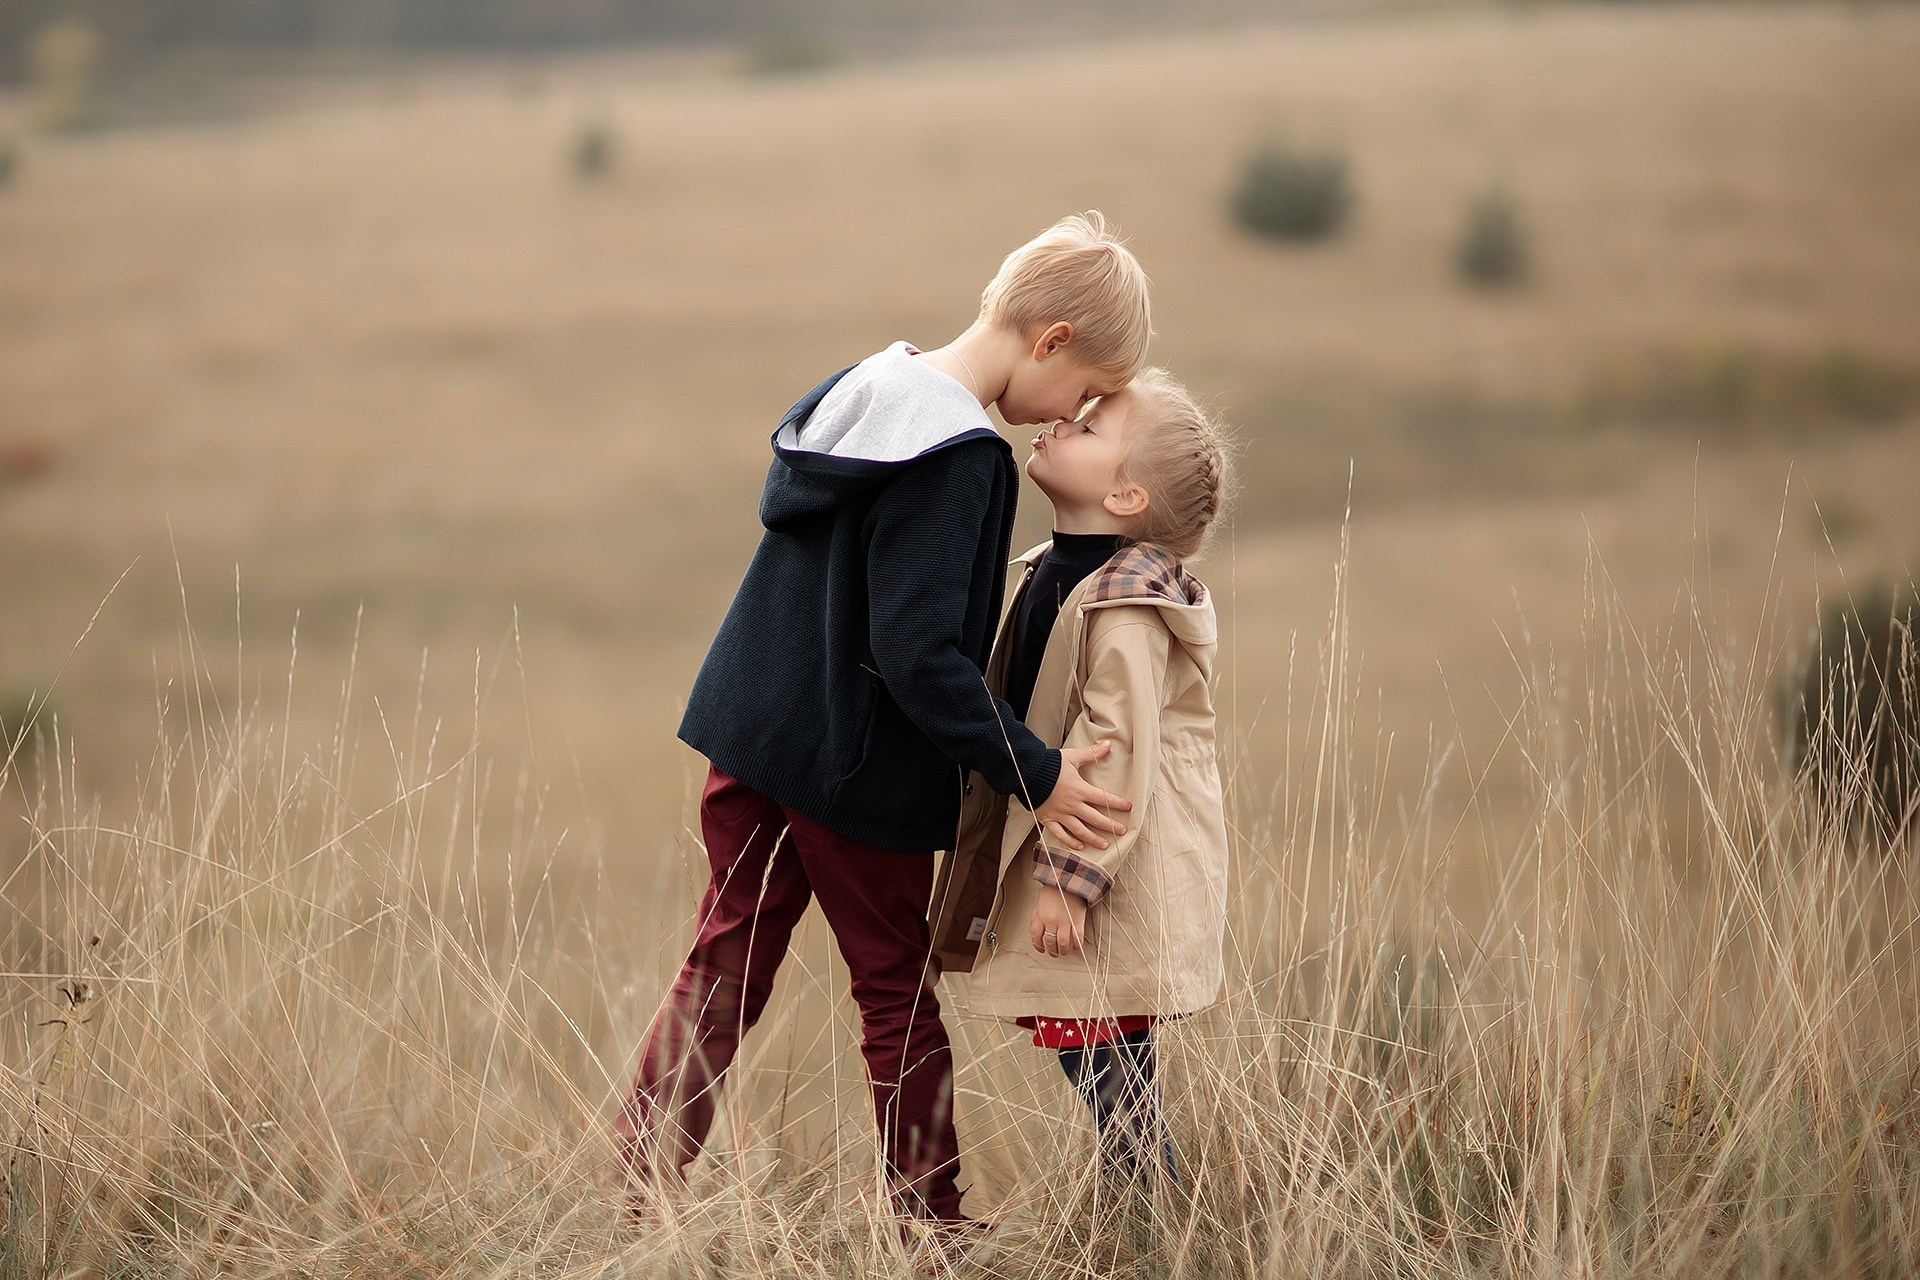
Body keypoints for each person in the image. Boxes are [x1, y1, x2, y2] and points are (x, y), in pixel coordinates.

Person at [616, 213, 1153, 1227]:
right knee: (895, 996)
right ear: (1050, 342)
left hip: (753, 737)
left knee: (722, 961)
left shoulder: (870, 388)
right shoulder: (960, 454)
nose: (1068, 412)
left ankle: (633, 1190)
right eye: (1082, 391)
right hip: (852, 771)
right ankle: (933, 1223)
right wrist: (1032, 767)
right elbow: (918, 654)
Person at [935, 366, 1231, 1201]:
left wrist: (1070, 883)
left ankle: (1153, 1208)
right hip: (1073, 856)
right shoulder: (1053, 570)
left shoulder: (1128, 606)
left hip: (1105, 869)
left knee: (1104, 1050)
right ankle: (1142, 1202)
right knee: (1101, 1048)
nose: (1062, 422)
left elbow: (1114, 751)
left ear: (1129, 498)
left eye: (1091, 429)